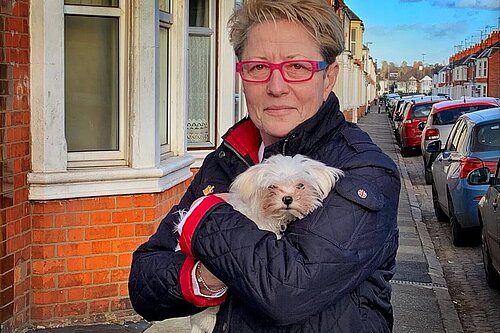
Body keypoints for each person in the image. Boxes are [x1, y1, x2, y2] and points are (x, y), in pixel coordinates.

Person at [128, 1, 400, 332]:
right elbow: (144, 284)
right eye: (258, 67)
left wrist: (204, 216)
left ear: (329, 77)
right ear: (241, 73)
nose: (275, 86)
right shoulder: (227, 158)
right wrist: (204, 277)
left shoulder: (365, 171)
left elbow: (287, 291)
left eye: (297, 67)